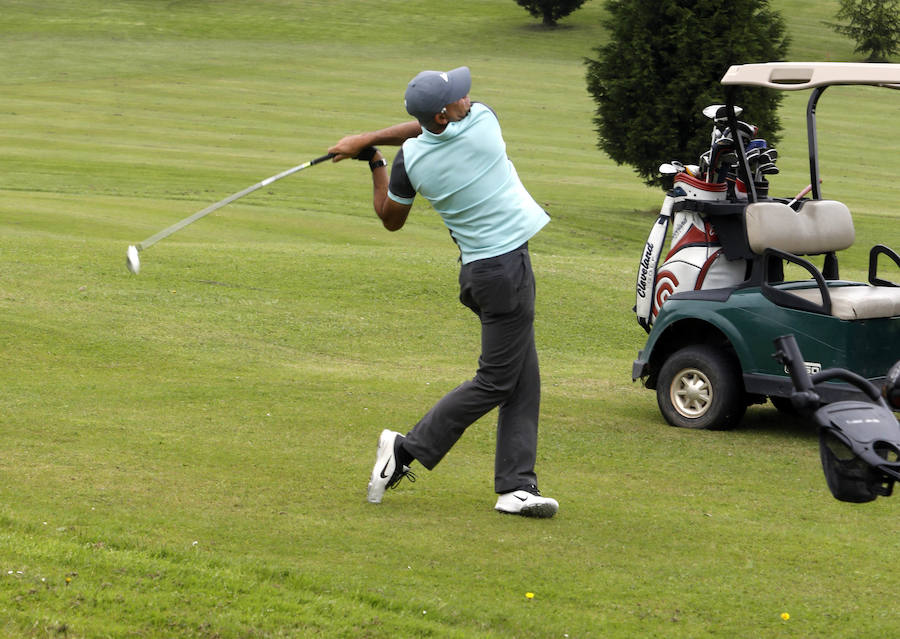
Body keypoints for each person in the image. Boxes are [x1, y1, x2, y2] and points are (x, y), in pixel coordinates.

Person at [328, 66, 558, 518]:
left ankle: (516, 487)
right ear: (443, 115)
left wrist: (371, 156)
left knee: (522, 379)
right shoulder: (484, 123)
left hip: (480, 271)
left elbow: (390, 217)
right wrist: (368, 139)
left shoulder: (411, 161)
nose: (467, 97)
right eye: (457, 96)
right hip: (506, 271)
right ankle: (405, 450)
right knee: (496, 380)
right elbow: (423, 126)